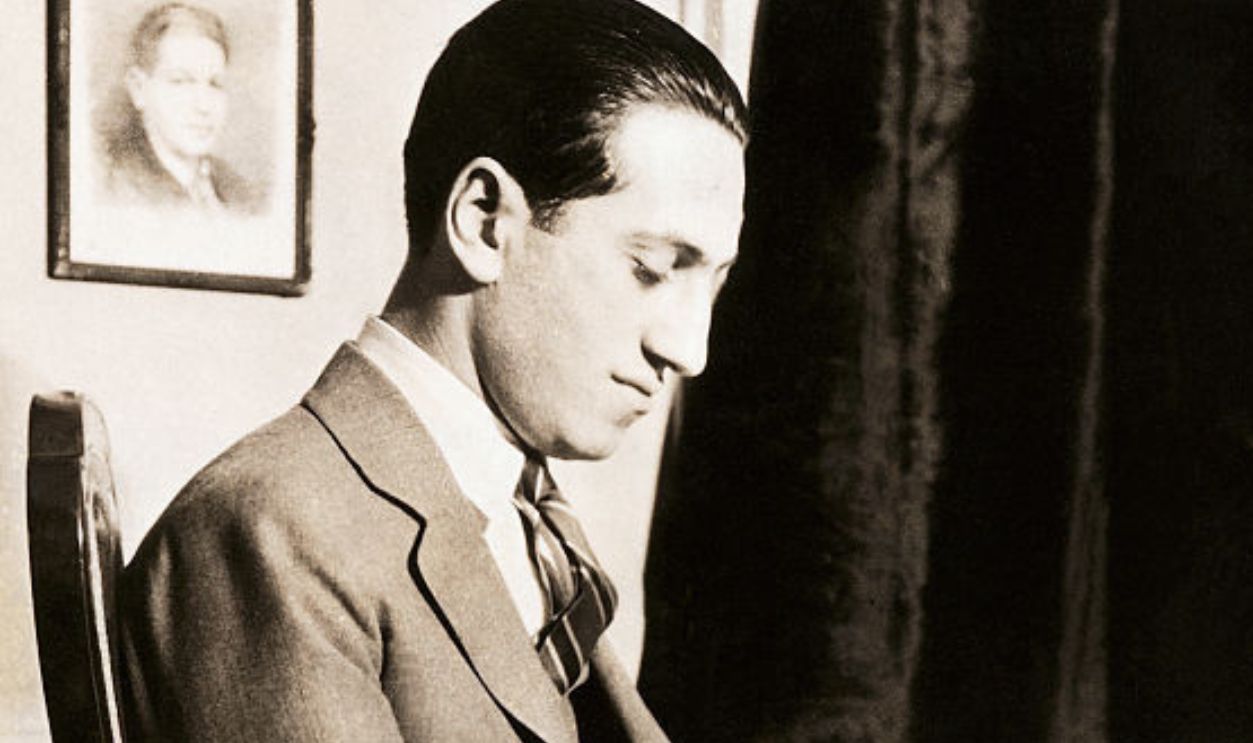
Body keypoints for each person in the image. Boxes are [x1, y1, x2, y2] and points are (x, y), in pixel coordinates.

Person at [120, 0, 746, 740]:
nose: (690, 349)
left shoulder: (518, 509)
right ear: (485, 221)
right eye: (650, 270)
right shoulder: (276, 532)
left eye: (713, 283)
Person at [102, 3, 258, 212]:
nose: (204, 106)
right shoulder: (112, 190)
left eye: (215, 84)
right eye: (181, 81)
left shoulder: (239, 192)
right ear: (138, 88)